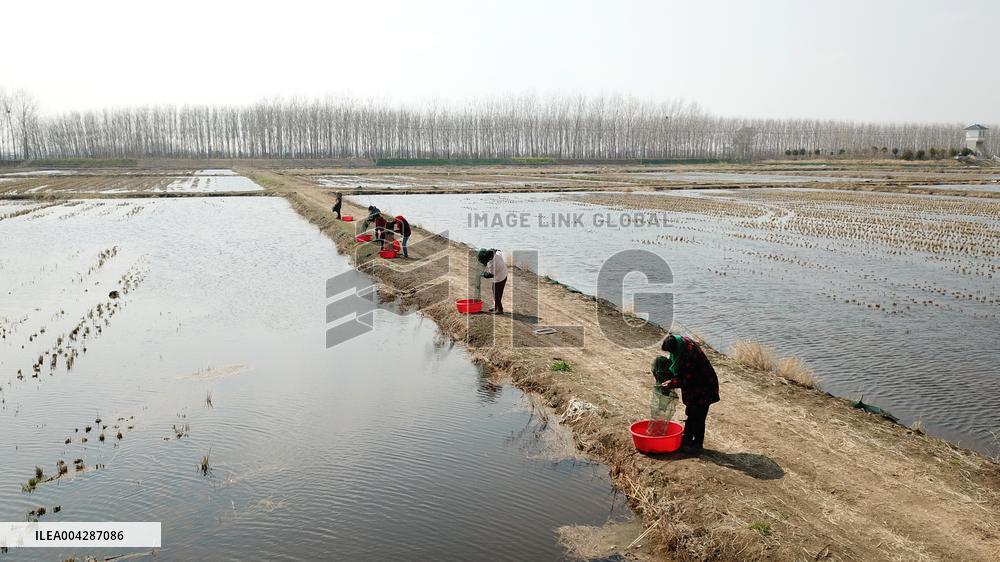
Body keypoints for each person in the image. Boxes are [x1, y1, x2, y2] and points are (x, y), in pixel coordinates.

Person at [659, 334, 720, 453]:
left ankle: (697, 444)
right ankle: (687, 439)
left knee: (699, 415)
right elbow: (679, 369)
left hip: (704, 386)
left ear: (676, 349)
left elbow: (686, 378)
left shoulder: (689, 356)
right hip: (695, 385)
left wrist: (671, 383)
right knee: (692, 412)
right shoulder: (680, 342)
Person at [477, 249, 507, 314]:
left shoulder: (492, 266)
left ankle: (500, 310)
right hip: (504, 275)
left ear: (489, 258)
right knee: (499, 293)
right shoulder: (497, 254)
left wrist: (483, 274)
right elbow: (498, 250)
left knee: (496, 295)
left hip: (499, 279)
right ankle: (496, 307)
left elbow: (490, 275)